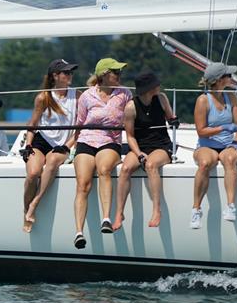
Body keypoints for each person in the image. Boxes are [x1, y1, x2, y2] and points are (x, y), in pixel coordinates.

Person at [72, 57, 132, 249]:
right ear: (105, 75)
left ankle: (106, 219)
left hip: (110, 141)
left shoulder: (124, 94)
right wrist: (69, 146)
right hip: (86, 141)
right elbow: (79, 123)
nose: (120, 76)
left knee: (104, 169)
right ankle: (79, 232)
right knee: (83, 183)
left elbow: (132, 119)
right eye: (116, 72)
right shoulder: (87, 96)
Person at [112, 72, 179, 230]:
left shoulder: (161, 99)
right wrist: (138, 153)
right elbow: (130, 136)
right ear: (150, 88)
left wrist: (173, 120)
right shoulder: (131, 107)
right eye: (156, 84)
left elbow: (171, 117)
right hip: (140, 145)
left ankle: (156, 210)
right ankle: (119, 213)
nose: (159, 86)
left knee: (150, 165)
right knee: (126, 168)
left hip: (161, 144)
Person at [22, 59, 81, 233]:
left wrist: (68, 145)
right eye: (66, 72)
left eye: (71, 72)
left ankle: (35, 203)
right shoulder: (43, 97)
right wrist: (28, 144)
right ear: (55, 76)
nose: (70, 75)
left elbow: (80, 127)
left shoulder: (77, 96)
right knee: (33, 173)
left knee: (53, 161)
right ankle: (26, 211)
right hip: (42, 140)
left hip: (64, 144)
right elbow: (32, 124)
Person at [190, 62, 237, 229]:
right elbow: (201, 131)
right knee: (205, 163)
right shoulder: (203, 100)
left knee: (229, 159)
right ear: (220, 80)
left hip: (228, 144)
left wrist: (236, 141)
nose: (231, 78)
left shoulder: (231, 97)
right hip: (207, 145)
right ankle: (196, 209)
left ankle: (230, 206)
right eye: (229, 75)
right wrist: (222, 127)